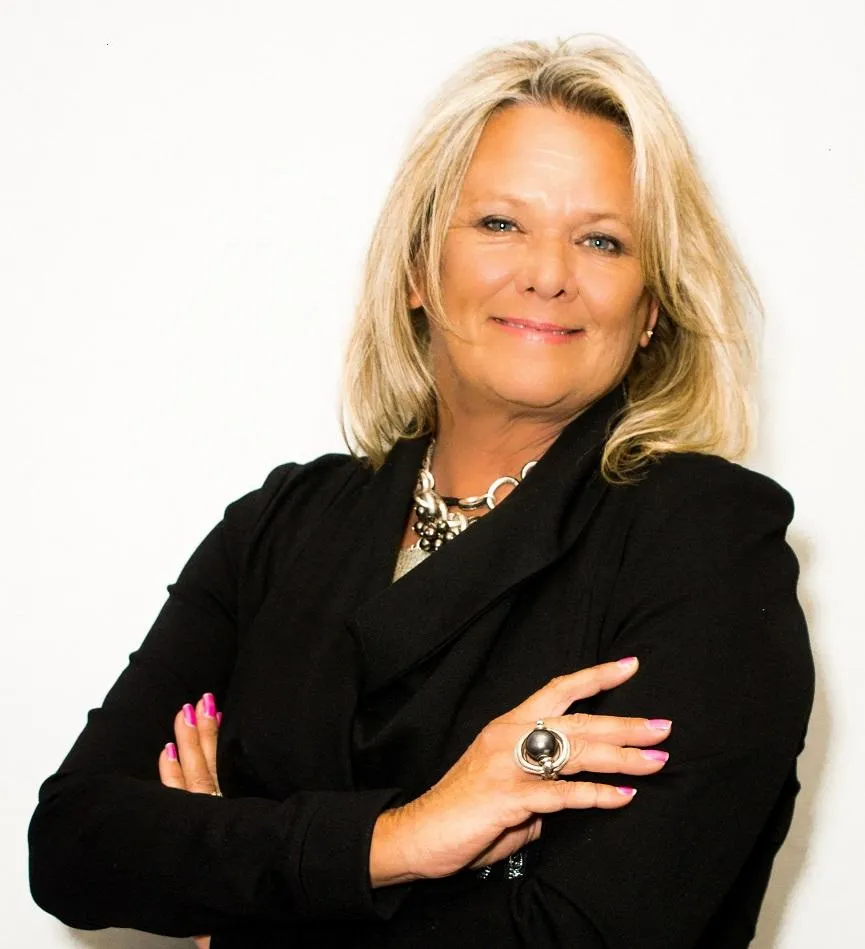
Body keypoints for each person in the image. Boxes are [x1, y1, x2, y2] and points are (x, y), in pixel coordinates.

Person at [28, 36, 814, 949]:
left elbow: (591, 934)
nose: (548, 273)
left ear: (648, 310)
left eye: (601, 239)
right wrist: (399, 840)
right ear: (414, 270)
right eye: (500, 224)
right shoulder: (279, 528)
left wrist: (233, 901)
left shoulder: (705, 543)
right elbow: (74, 844)